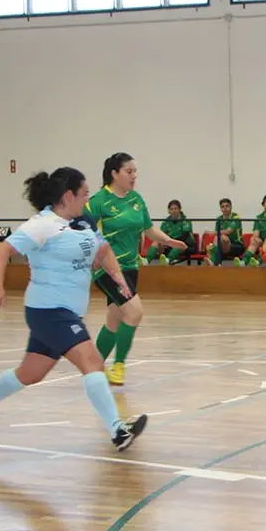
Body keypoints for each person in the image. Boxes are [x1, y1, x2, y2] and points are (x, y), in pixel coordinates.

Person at [0, 168, 148, 451]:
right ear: (67, 195)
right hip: (49, 310)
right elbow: (2, 251)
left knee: (30, 373)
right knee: (92, 362)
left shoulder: (83, 220)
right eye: (83, 194)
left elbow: (103, 250)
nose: (87, 199)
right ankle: (118, 430)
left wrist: (118, 277)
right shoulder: (41, 225)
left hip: (65, 311)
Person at [85, 152, 187, 386]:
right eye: (129, 171)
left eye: (135, 171)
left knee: (114, 318)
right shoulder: (99, 202)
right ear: (114, 174)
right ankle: (118, 366)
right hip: (108, 269)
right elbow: (81, 231)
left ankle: (93, 367)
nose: (134, 176)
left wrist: (169, 241)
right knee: (134, 312)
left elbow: (149, 230)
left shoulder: (136, 199)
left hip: (131, 266)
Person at [145, 199, 196, 265]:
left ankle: (167, 261)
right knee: (156, 242)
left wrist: (169, 242)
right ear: (169, 210)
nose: (173, 211)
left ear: (179, 209)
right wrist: (163, 243)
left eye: (175, 209)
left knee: (178, 244)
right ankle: (146, 261)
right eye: (171, 209)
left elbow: (184, 236)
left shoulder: (186, 221)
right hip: (170, 244)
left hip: (186, 245)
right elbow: (161, 235)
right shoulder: (166, 222)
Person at [208, 198, 248, 265]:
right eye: (223, 207)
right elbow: (217, 236)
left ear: (231, 207)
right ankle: (215, 263)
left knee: (222, 237)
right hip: (224, 245)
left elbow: (228, 231)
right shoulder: (219, 219)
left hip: (237, 245)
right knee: (217, 241)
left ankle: (212, 260)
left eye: (227, 206)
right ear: (220, 209)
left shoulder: (236, 217)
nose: (225, 208)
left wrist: (212, 232)